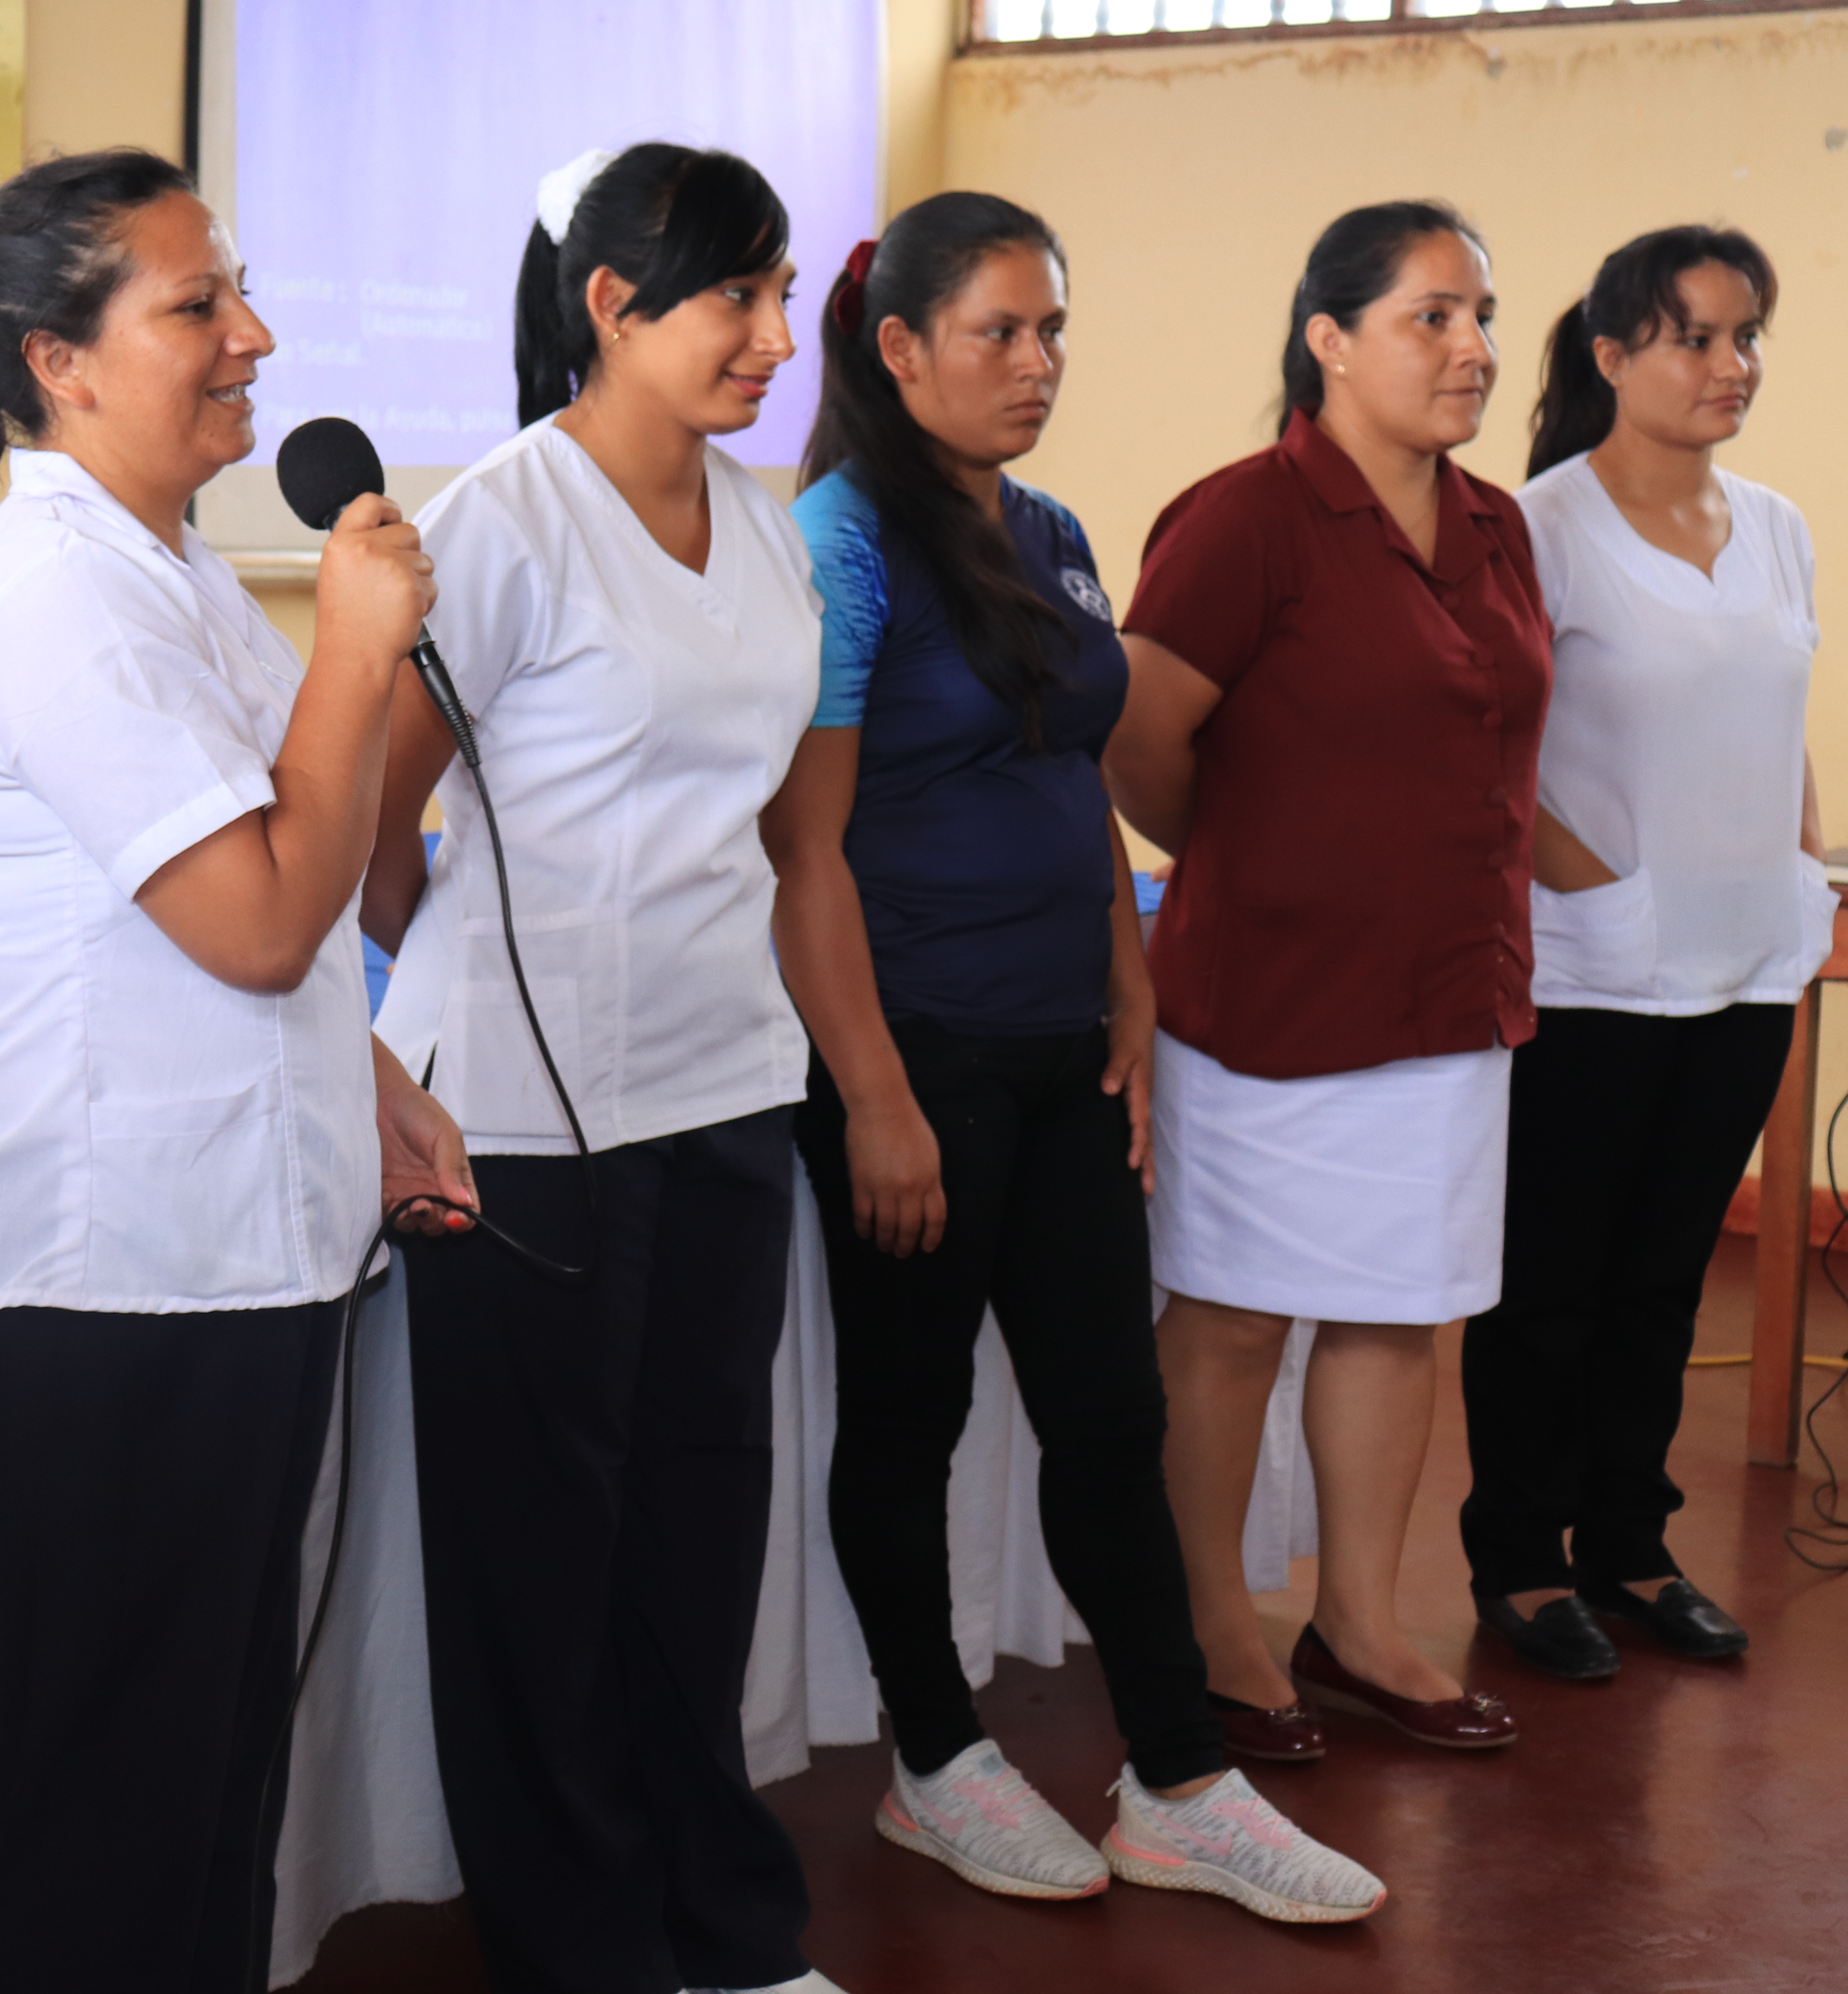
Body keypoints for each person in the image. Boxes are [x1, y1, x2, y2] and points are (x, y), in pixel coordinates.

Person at [0, 148, 474, 1994]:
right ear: (59, 359)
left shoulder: (172, 574)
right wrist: (363, 659)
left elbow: (261, 925)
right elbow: (261, 919)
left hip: (228, 1268)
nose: (255, 338)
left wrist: (370, 1079)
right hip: (101, 1294)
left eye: (237, 294)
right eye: (197, 307)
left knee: (205, 1807)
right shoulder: (57, 597)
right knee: (90, 1840)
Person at [762, 191, 1381, 1924]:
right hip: (917, 1053)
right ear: (899, 350)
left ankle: (1179, 1778)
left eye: (1054, 335)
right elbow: (803, 852)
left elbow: (1075, 782)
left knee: (1111, 1416)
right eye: (1000, 335)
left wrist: (1133, 990)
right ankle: (936, 1762)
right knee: (912, 1417)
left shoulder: (1048, 528)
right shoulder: (840, 542)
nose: (1038, 367)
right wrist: (875, 1096)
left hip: (1063, 1047)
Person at [362, 143, 840, 1994]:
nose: (774, 337)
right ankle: (578, 1948)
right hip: (523, 1122)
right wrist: (473, 989)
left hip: (726, 1089)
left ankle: (721, 1926)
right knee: (536, 1567)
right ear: (612, 308)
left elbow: (783, 828)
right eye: (736, 297)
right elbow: (375, 830)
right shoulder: (497, 522)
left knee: (697, 1534)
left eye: (783, 294)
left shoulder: (771, 519)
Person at [1104, 200, 1544, 1758]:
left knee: (1398, 1316)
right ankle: (1216, 1620)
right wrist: (1253, 861)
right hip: (1273, 999)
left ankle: (1360, 1618)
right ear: (1329, 338)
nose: (1474, 346)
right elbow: (1142, 739)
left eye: (1481, 313)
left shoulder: (1494, 527)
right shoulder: (1245, 519)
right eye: (1433, 315)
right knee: (1231, 1319)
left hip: (1450, 996)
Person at [1459, 226, 1826, 1678]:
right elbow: (1493, 754)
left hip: (1745, 963)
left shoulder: (1781, 526)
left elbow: (1789, 710)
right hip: (1597, 967)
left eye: (1747, 339)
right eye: (1695, 338)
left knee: (1669, 1276)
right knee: (1551, 1282)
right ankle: (1520, 1561)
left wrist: (1802, 867)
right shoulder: (1533, 529)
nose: (1730, 367)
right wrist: (1602, 884)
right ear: (1612, 357)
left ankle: (1630, 1546)